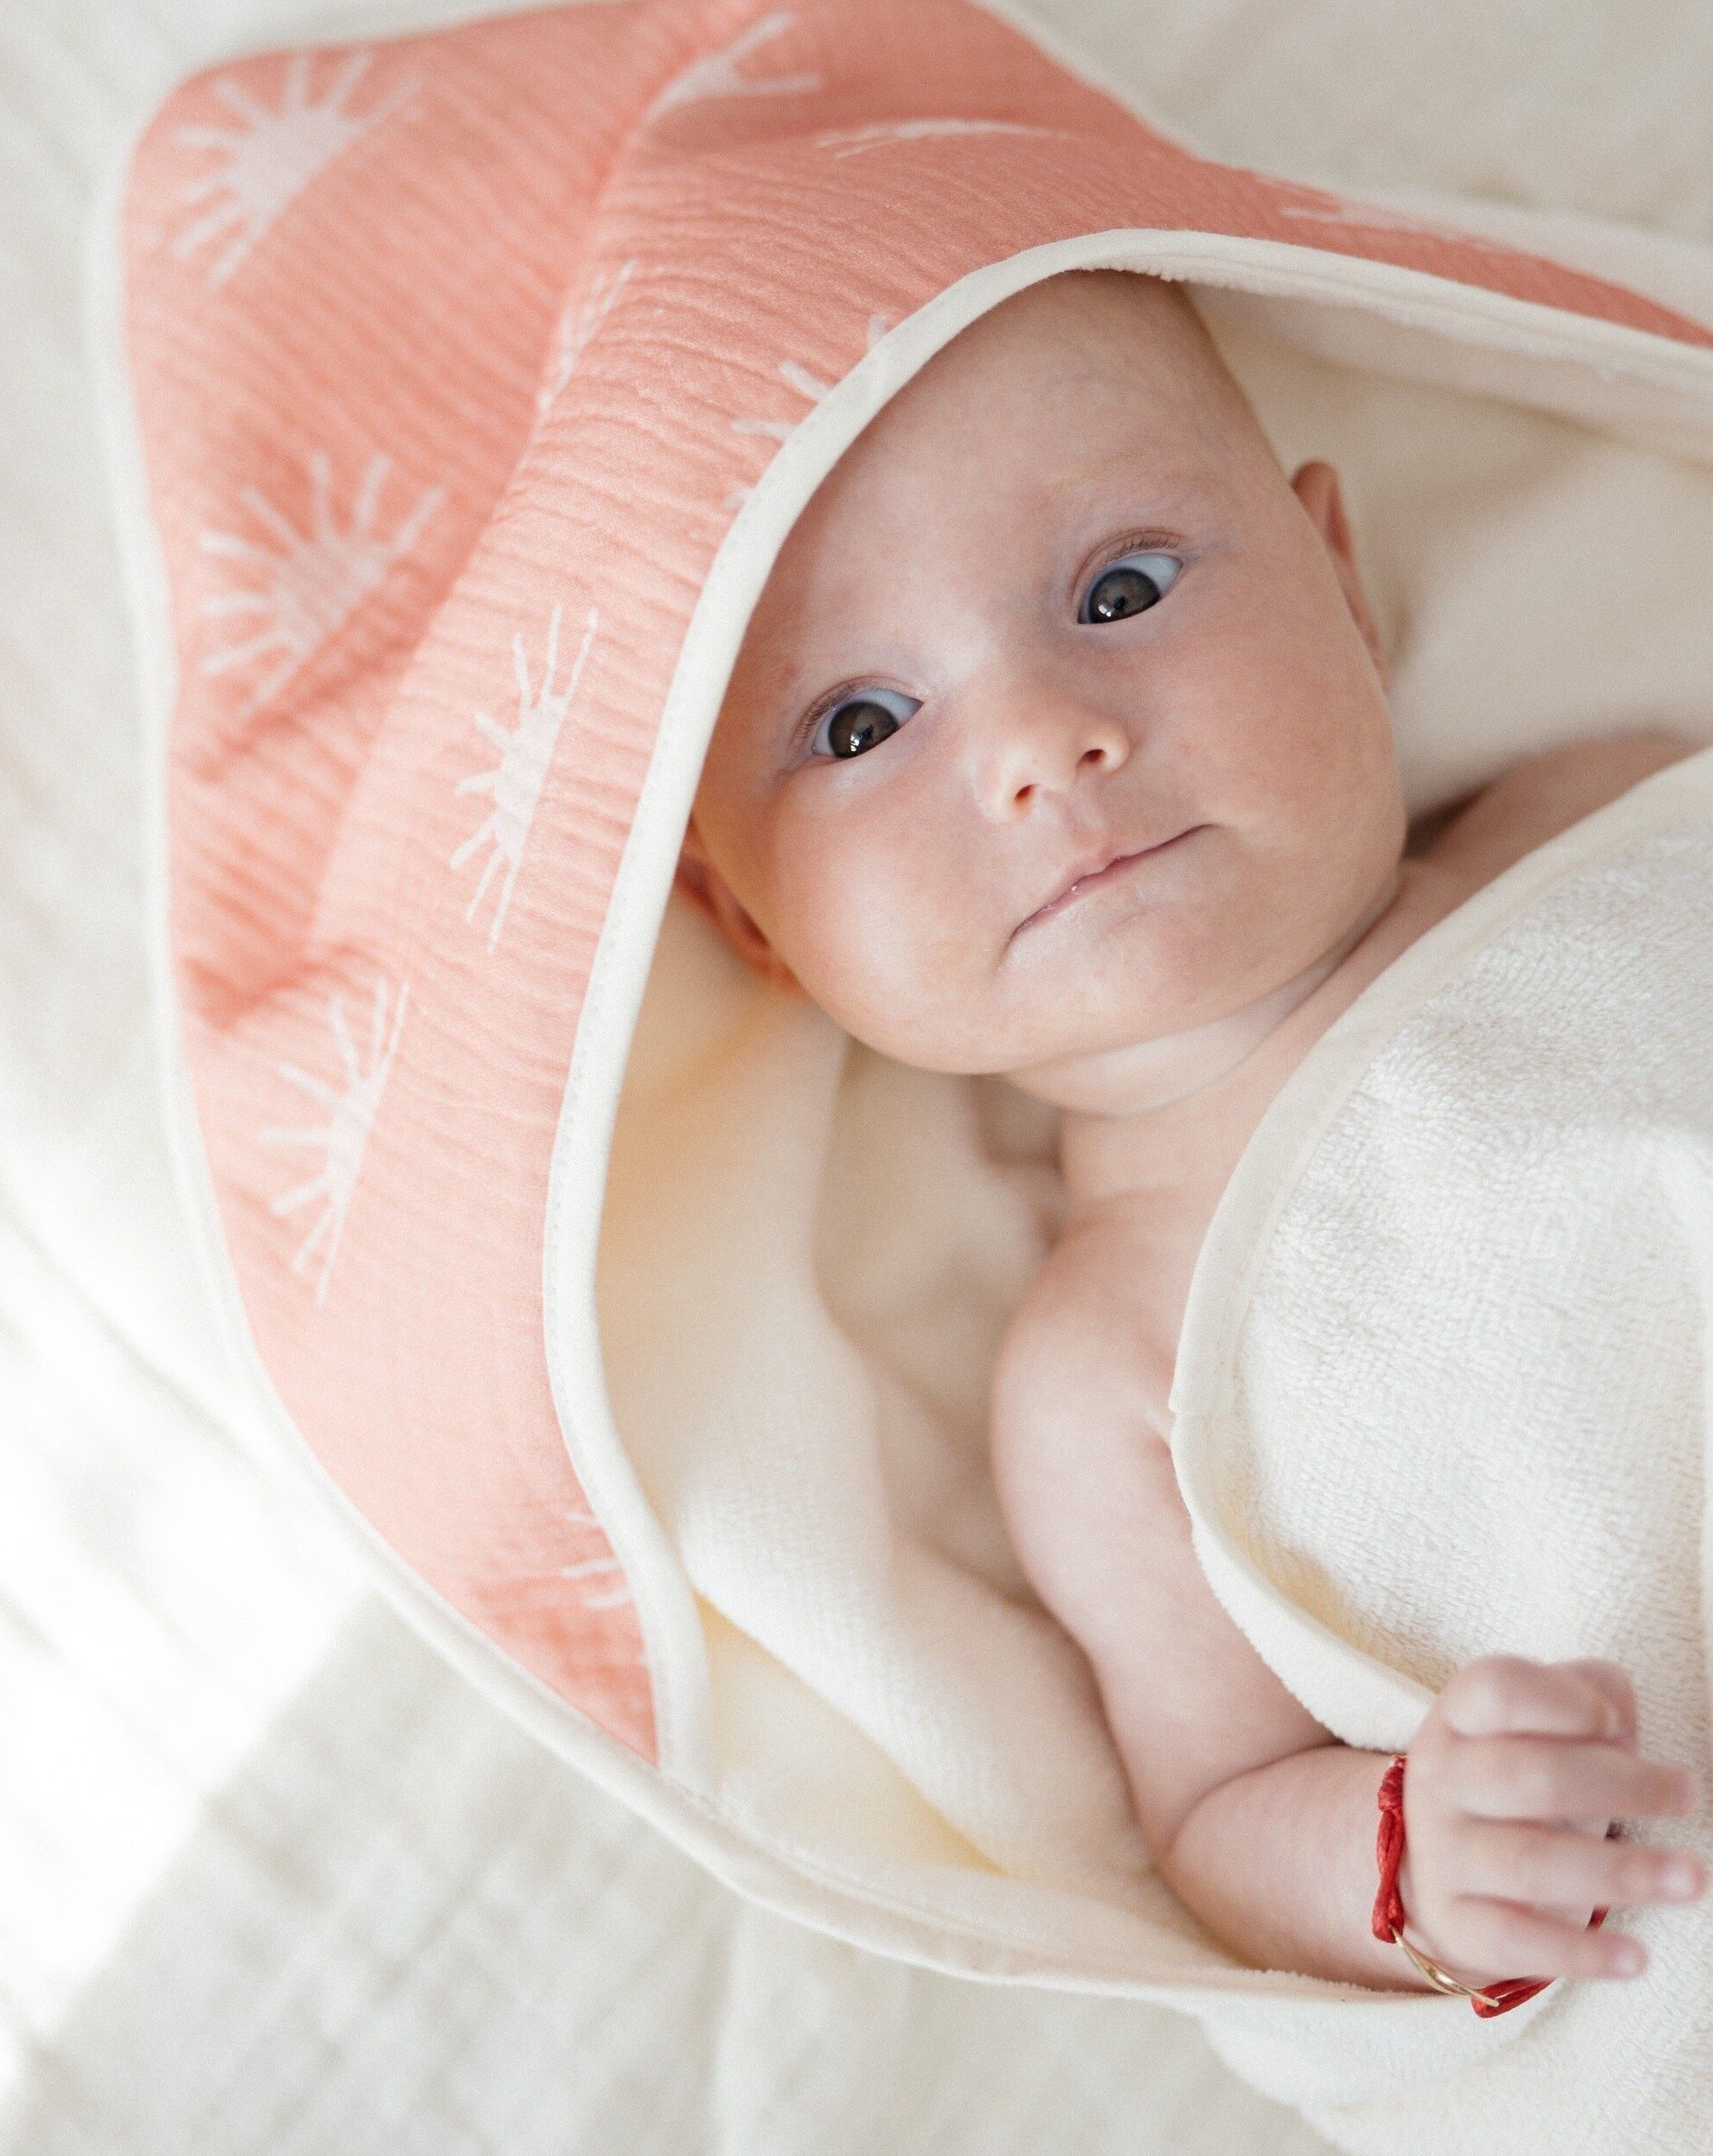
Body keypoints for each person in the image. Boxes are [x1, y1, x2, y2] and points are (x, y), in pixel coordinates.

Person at [679, 268, 1704, 1994]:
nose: (1039, 741)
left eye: (1123, 587)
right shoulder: (1102, 1365)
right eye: (859, 723)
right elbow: (1221, 1810)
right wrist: (1421, 1856)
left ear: (1339, 582)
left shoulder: (1610, 804)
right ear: (755, 927)